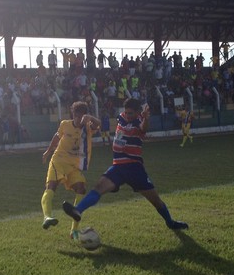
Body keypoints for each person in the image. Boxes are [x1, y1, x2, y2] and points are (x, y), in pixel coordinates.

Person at [62, 98, 189, 230]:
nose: (128, 116)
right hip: (118, 166)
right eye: (126, 112)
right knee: (98, 187)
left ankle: (170, 222)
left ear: (137, 113)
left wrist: (146, 118)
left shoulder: (139, 121)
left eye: (131, 113)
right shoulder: (121, 118)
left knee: (155, 201)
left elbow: (143, 128)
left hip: (134, 169)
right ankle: (77, 210)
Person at [41, 101, 100, 240]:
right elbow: (56, 137)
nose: (77, 118)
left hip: (73, 165)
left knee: (81, 188)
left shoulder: (88, 127)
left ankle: (74, 230)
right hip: (59, 161)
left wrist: (90, 118)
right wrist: (48, 152)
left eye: (80, 115)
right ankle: (47, 217)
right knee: (51, 187)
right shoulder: (65, 124)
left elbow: (98, 124)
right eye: (75, 115)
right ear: (72, 114)